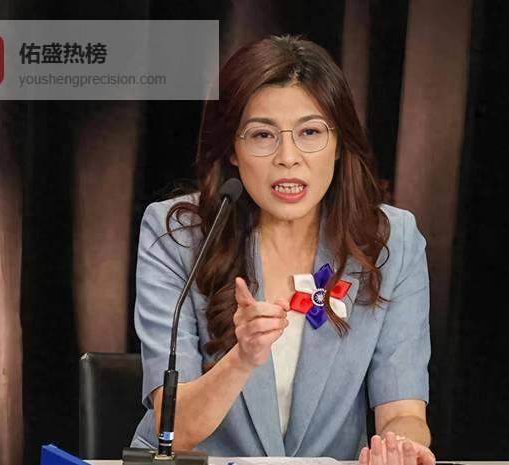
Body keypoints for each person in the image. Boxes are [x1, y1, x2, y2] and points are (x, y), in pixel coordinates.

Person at [131, 34, 434, 465]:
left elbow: (403, 411)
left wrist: (399, 447)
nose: (288, 157)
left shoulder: (391, 240)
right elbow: (173, 433)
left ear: (339, 143)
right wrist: (242, 359)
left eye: (310, 132)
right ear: (232, 150)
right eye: (262, 135)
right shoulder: (178, 235)